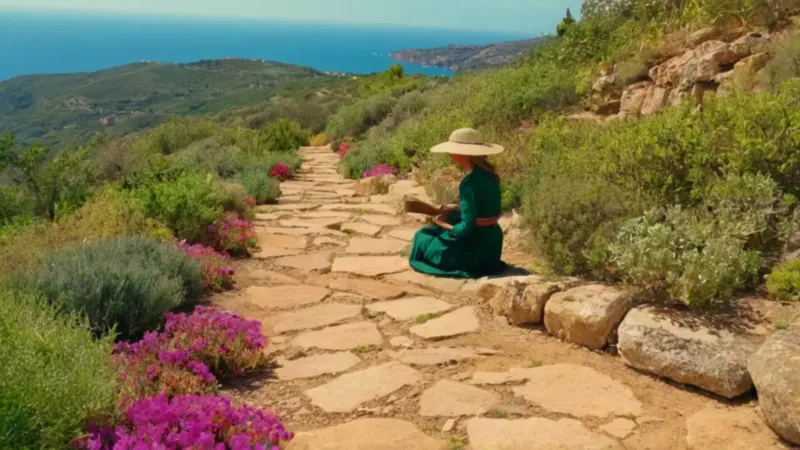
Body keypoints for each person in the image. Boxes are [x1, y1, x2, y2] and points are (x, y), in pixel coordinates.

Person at [409, 128, 507, 278]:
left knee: (422, 236)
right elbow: (484, 210)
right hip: (491, 246)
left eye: (452, 151)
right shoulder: (490, 176)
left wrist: (441, 223)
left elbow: (464, 230)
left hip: (473, 249)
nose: (450, 155)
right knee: (432, 233)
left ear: (462, 154)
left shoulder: (469, 184)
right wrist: (458, 209)